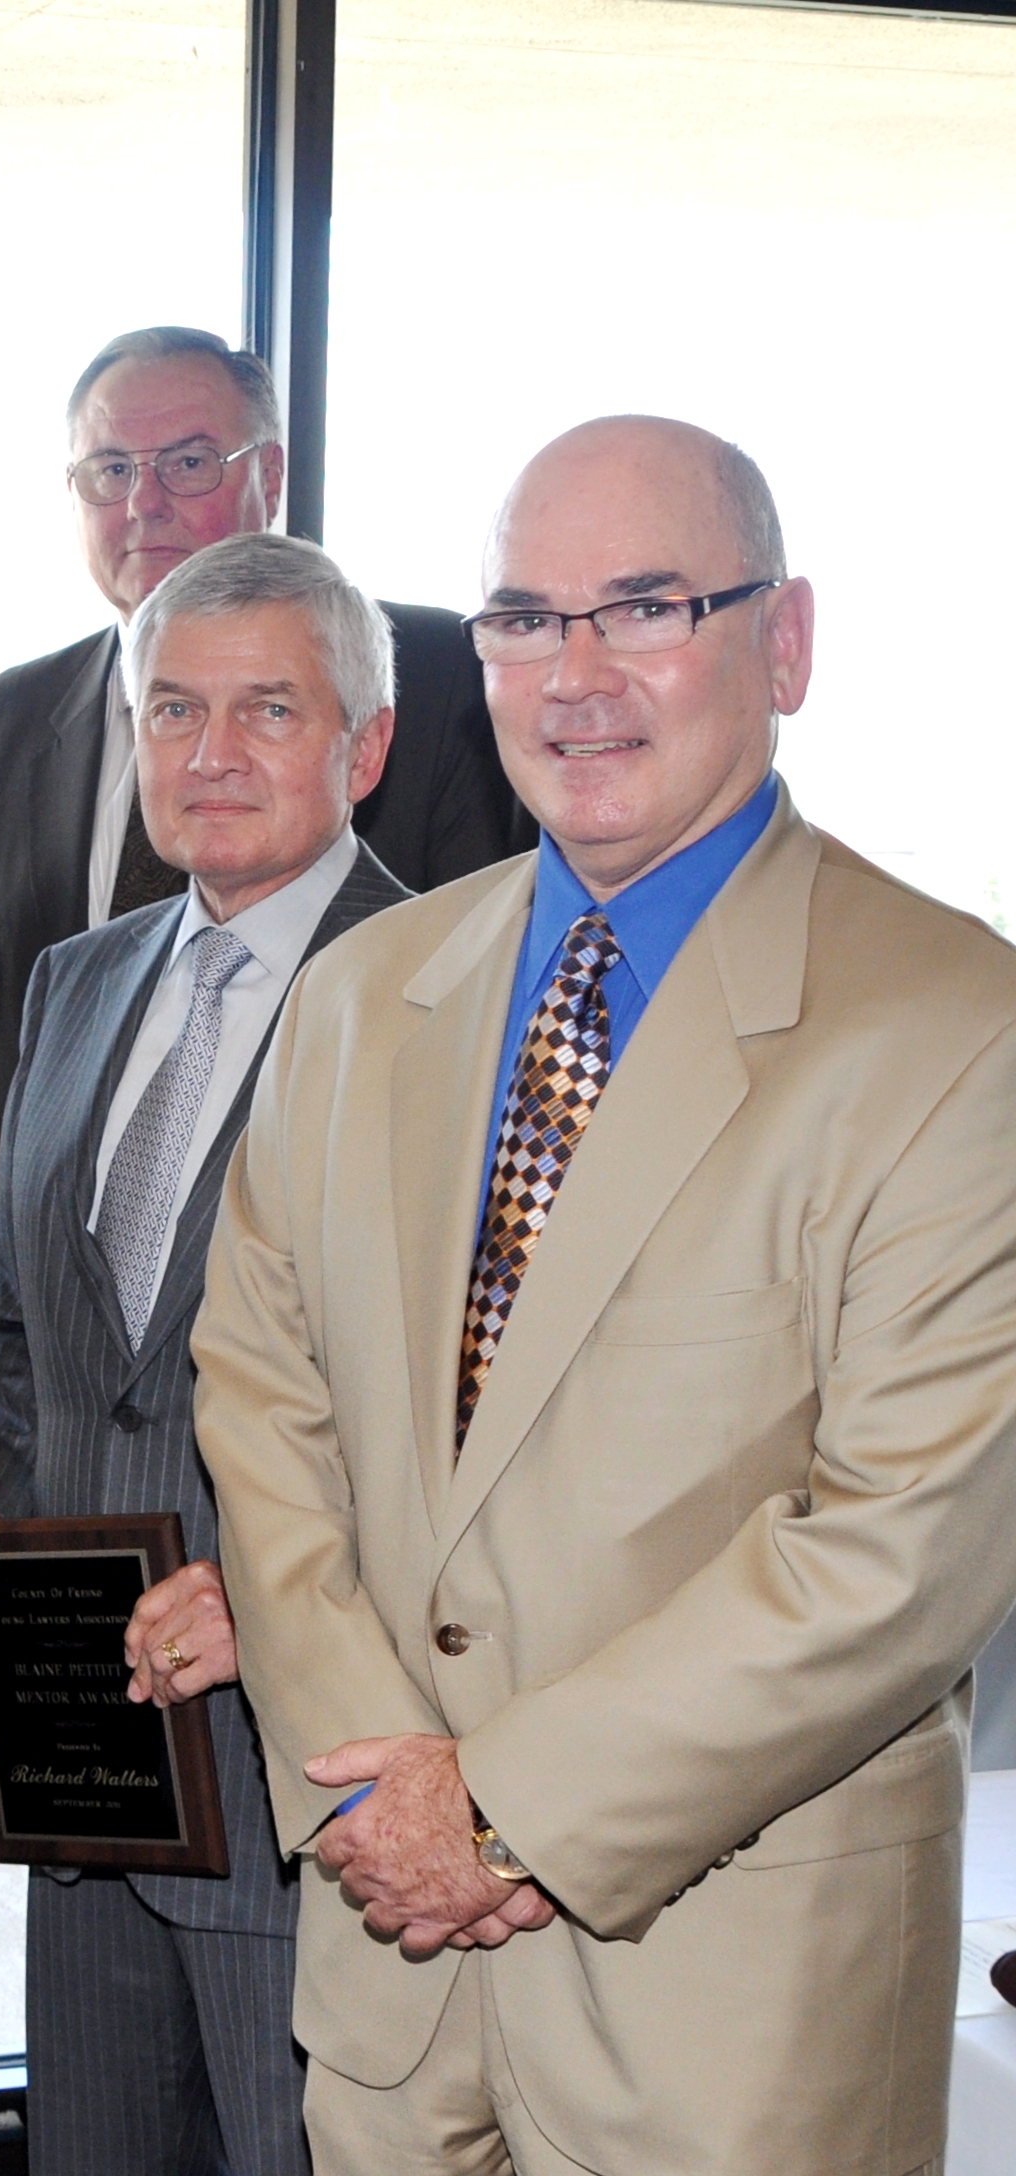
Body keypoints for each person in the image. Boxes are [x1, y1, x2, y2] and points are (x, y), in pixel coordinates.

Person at [192, 417, 1016, 2173]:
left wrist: (498, 1812)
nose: (573, 677)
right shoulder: (357, 1000)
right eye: (520, 618)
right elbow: (259, 1397)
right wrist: (375, 1781)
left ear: (783, 641)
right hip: (387, 1978)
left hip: (730, 2016)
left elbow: (900, 1552)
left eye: (644, 607)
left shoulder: (956, 1031)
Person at [0, 531, 410, 2176]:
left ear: (364, 746)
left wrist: (273, 1595)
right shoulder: (72, 981)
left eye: (268, 709)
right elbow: (27, 1328)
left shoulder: (441, 1001)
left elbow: (476, 1419)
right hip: (87, 1775)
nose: (210, 752)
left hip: (298, 1776)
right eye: (172, 709)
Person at [0, 326, 532, 1317]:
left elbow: (485, 991)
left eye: (188, 462)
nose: (143, 502)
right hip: (50, 1337)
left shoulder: (447, 678)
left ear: (269, 475)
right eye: (110, 469)